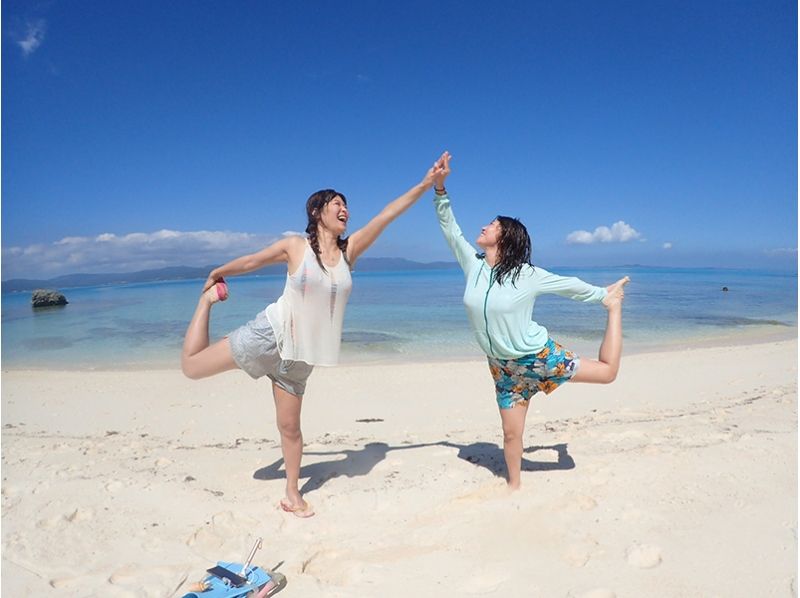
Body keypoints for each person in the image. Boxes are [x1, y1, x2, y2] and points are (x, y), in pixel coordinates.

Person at [181, 153, 448, 517]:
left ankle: (293, 493)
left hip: (301, 359)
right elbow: (252, 262)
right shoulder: (296, 246)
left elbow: (388, 214)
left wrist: (426, 182)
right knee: (192, 369)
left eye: (347, 206)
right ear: (317, 211)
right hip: (270, 336)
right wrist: (217, 272)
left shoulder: (349, 251)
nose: (346, 210)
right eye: (338, 203)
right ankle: (205, 305)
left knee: (290, 429)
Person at [430, 152, 629, 490]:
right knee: (511, 433)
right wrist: (439, 188)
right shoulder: (473, 266)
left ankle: (615, 309)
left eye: (492, 225)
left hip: (537, 357)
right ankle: (514, 486)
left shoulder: (528, 275)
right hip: (502, 368)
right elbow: (450, 229)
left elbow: (568, 285)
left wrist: (601, 296)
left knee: (608, 374)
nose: (484, 226)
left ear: (505, 238)